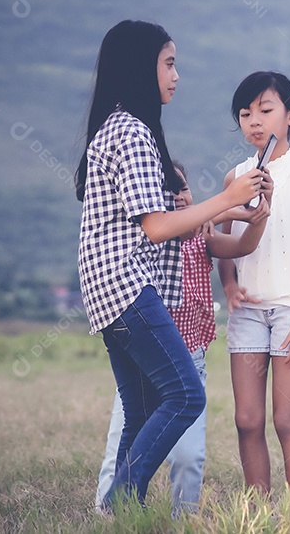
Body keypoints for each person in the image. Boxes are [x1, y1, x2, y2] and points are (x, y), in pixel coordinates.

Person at [76, 20, 269, 510]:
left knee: (141, 410)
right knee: (186, 395)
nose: (176, 75)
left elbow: (175, 223)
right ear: (143, 67)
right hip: (128, 284)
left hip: (106, 290)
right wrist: (228, 195)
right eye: (168, 63)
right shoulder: (133, 132)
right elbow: (158, 227)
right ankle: (121, 501)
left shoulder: (117, 127)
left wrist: (232, 210)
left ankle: (114, 515)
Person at [94, 163, 271, 515]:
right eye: (166, 191)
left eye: (182, 188)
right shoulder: (143, 238)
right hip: (147, 359)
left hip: (190, 358)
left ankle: (183, 518)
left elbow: (241, 246)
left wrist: (257, 217)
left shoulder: (198, 237)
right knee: (122, 445)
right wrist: (225, 208)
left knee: (190, 457)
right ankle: (109, 511)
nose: (177, 196)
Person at [218, 71, 290, 504]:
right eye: (245, 114)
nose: (254, 121)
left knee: (285, 419)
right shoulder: (236, 176)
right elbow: (220, 242)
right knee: (247, 419)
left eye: (266, 110)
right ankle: (258, 514)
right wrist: (228, 287)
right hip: (248, 310)